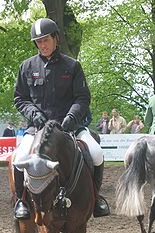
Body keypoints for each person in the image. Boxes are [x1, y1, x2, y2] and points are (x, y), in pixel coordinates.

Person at [13, 18, 110, 219]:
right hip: (38, 129)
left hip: (70, 126)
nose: (43, 45)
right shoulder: (27, 67)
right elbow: (20, 98)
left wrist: (72, 117)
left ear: (55, 38)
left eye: (46, 39)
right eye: (38, 41)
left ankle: (96, 198)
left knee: (96, 152)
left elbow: (82, 97)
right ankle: (22, 201)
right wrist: (34, 114)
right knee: (19, 158)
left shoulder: (72, 66)